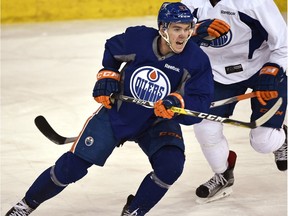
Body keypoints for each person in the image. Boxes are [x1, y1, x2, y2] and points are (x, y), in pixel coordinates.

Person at [5, 2, 217, 216]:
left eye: (187, 28)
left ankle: (133, 211)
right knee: (71, 168)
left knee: (171, 166)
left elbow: (200, 103)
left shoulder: (196, 60)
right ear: (163, 29)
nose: (183, 35)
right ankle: (26, 205)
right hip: (118, 113)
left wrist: (178, 104)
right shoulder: (139, 40)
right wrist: (108, 74)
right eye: (176, 29)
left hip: (156, 121)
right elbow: (112, 49)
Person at [182, 0, 287, 202]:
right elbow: (167, 37)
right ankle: (223, 174)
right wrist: (193, 31)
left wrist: (273, 69)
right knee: (204, 127)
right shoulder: (188, 3)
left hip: (262, 68)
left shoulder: (254, 2)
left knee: (264, 142)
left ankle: (282, 135)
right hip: (215, 73)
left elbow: (283, 43)